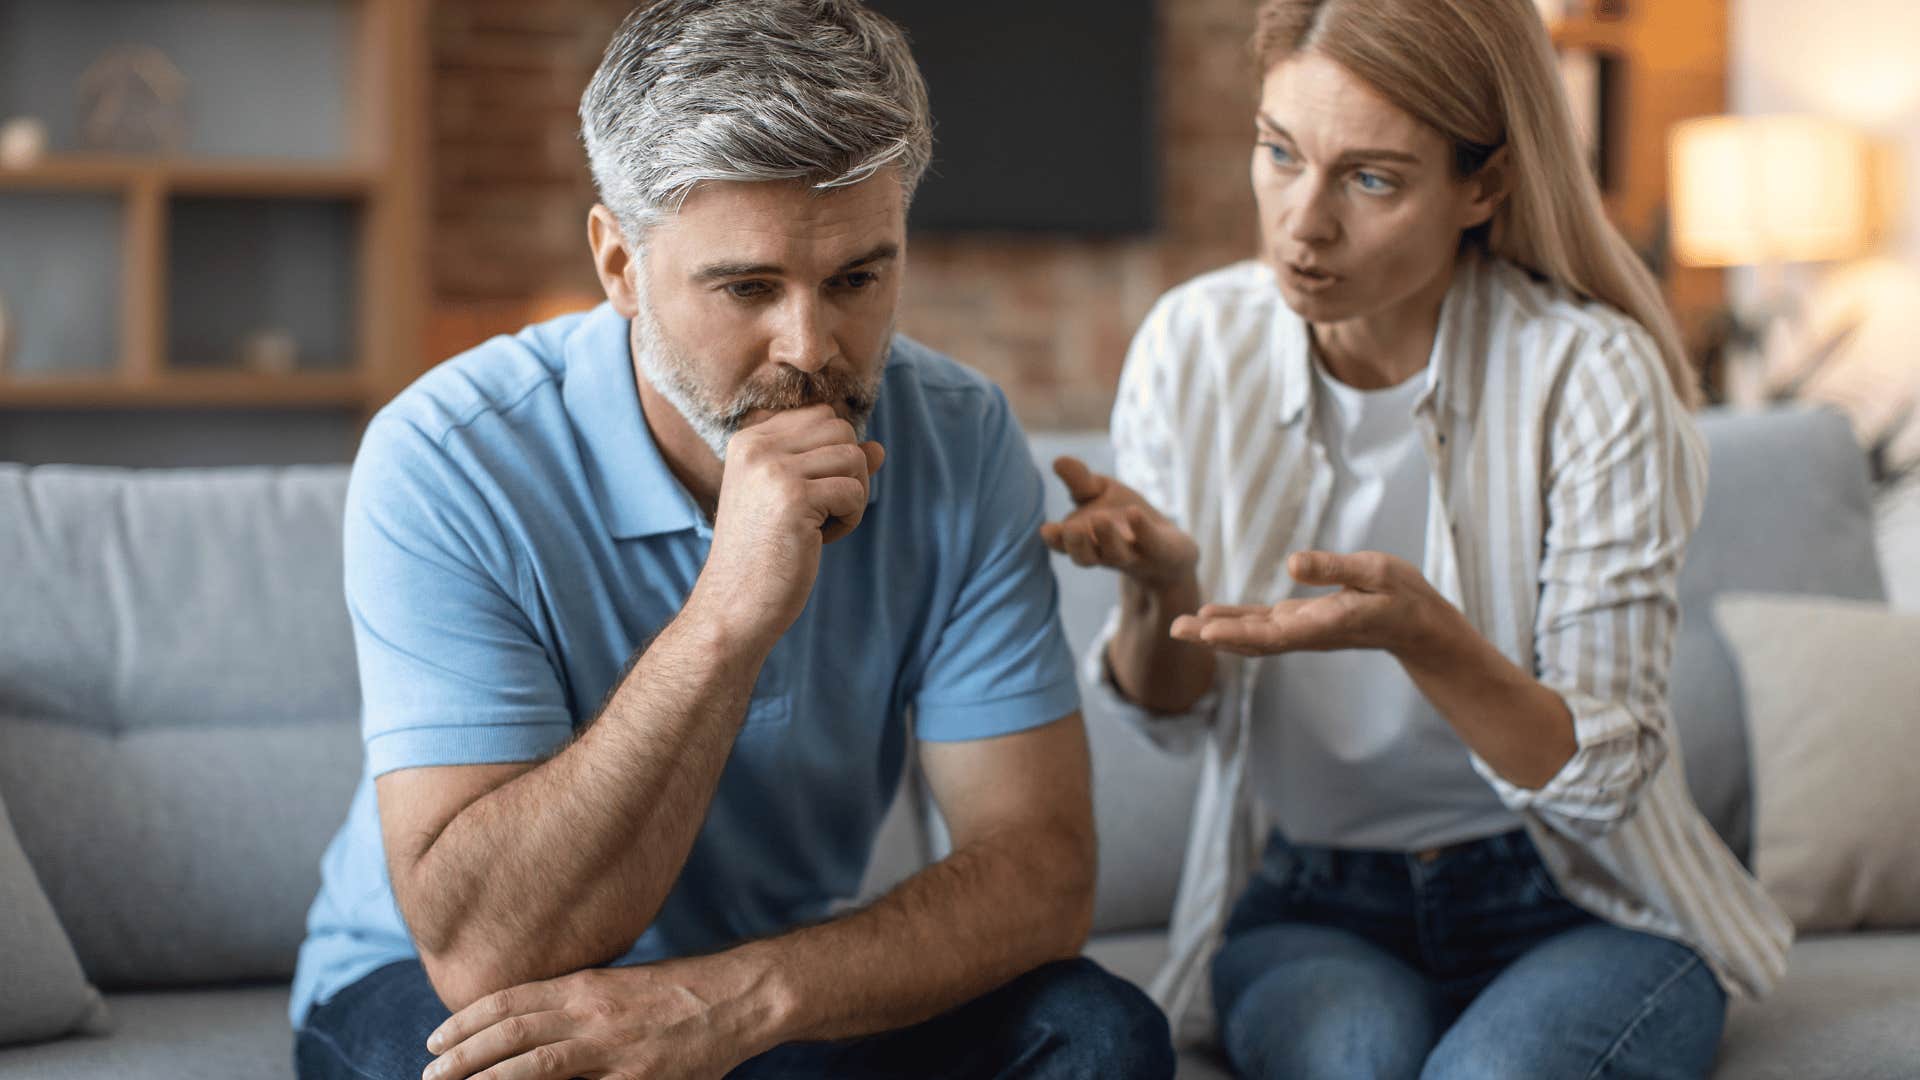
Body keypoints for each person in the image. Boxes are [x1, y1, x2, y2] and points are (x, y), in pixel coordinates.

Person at [289, 2, 1175, 1078]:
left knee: (1099, 1036)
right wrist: (727, 616)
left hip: (755, 992)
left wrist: (738, 1001)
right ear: (619, 262)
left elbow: (1040, 873)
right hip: (440, 984)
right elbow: (488, 951)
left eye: (858, 279)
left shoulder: (961, 435)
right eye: (748, 287)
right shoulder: (448, 458)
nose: (812, 349)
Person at [1041, 0, 1792, 1076]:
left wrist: (1431, 639)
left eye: (1372, 178)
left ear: (1482, 186)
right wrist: (1165, 593)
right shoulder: (1193, 347)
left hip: (1576, 897)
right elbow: (1172, 723)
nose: (1303, 223)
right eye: (1279, 153)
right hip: (1314, 902)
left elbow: (1608, 775)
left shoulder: (1589, 374)